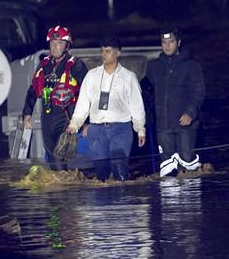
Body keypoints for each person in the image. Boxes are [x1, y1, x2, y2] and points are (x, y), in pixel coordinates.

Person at [67, 37, 146, 181]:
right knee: (101, 171)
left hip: (121, 128)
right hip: (97, 130)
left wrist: (140, 129)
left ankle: (122, 198)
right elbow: (83, 103)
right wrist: (74, 124)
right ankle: (104, 200)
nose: (104, 54)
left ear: (118, 53)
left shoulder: (128, 77)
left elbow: (136, 105)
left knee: (119, 165)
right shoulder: (92, 76)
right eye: (102, 51)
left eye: (108, 51)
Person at [22, 25, 88, 169]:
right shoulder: (44, 64)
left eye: (59, 43)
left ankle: (65, 187)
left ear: (67, 45)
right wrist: (27, 113)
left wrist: (85, 121)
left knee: (60, 157)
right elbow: (33, 89)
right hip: (48, 115)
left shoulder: (76, 65)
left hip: (66, 116)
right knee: (52, 158)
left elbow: (88, 93)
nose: (55, 47)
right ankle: (60, 187)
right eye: (52, 43)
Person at [144, 28, 206, 177]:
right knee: (167, 168)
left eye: (171, 42)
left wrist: (190, 112)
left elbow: (199, 92)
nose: (167, 46)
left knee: (187, 166)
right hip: (163, 127)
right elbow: (148, 91)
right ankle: (170, 199)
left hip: (185, 125)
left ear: (178, 42)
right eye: (164, 42)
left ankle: (189, 198)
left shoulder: (192, 66)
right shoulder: (154, 66)